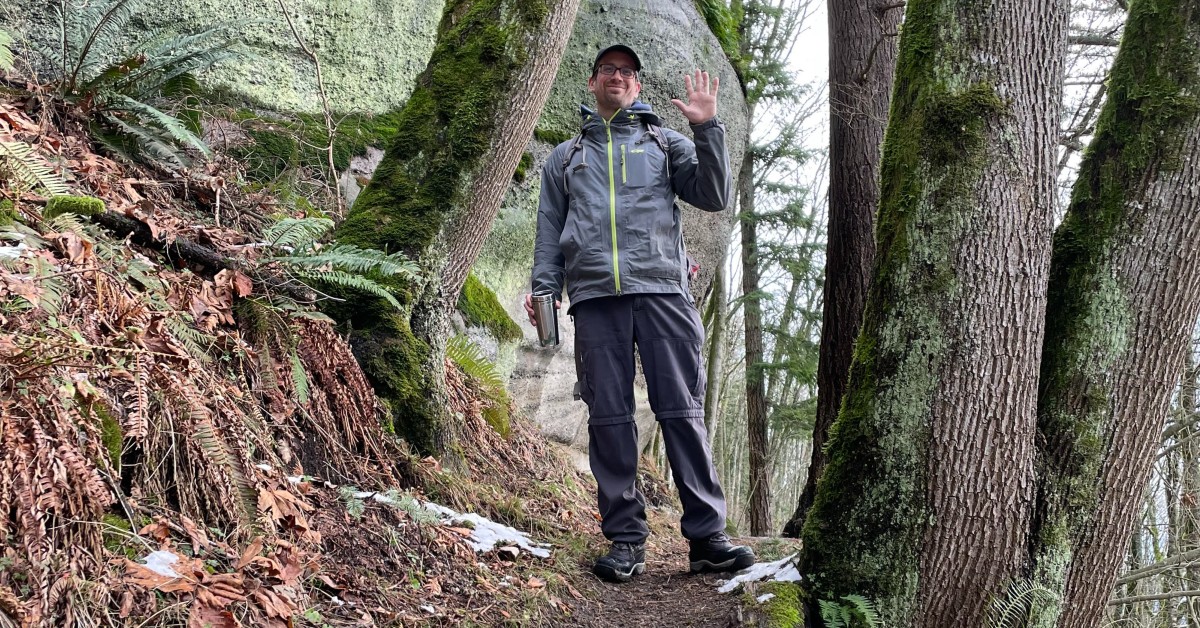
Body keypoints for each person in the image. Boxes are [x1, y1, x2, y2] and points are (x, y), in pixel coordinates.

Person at [524, 44, 755, 583]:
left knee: (682, 410)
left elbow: (715, 194)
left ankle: (707, 538)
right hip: (595, 298)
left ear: (638, 86)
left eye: (627, 71)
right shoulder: (565, 158)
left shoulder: (664, 142)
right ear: (592, 82)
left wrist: (707, 127)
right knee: (608, 416)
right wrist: (544, 289)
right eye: (608, 69)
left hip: (663, 292)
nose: (618, 77)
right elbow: (549, 231)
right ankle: (625, 539)